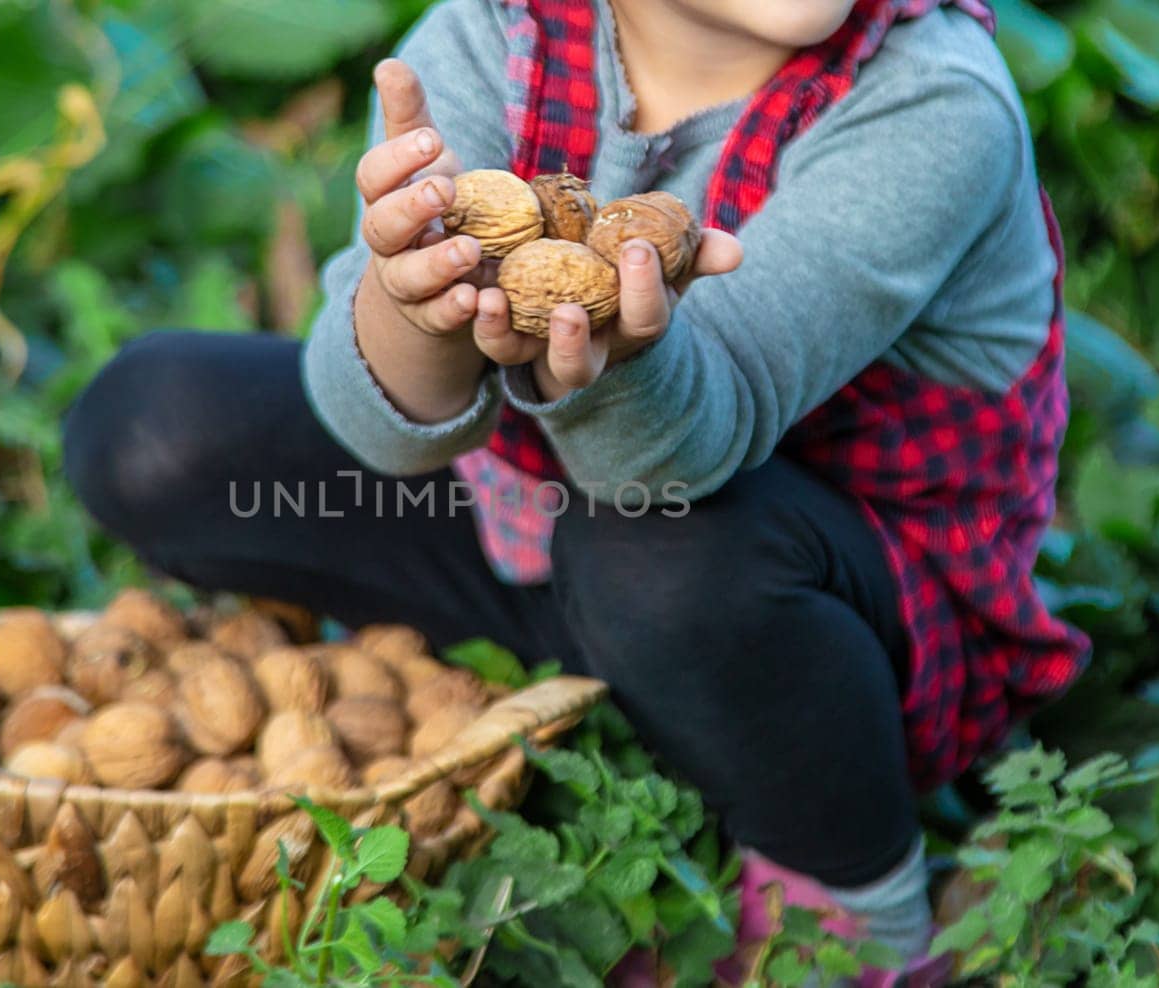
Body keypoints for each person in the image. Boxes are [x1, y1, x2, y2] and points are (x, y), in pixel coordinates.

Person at [61, 0, 1091, 981]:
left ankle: (853, 899)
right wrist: (410, 312)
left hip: (823, 617)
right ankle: (557, 692)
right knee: (153, 426)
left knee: (649, 547)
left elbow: (688, 449)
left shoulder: (930, 100)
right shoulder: (486, 35)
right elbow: (381, 433)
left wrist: (605, 357)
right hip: (531, 518)